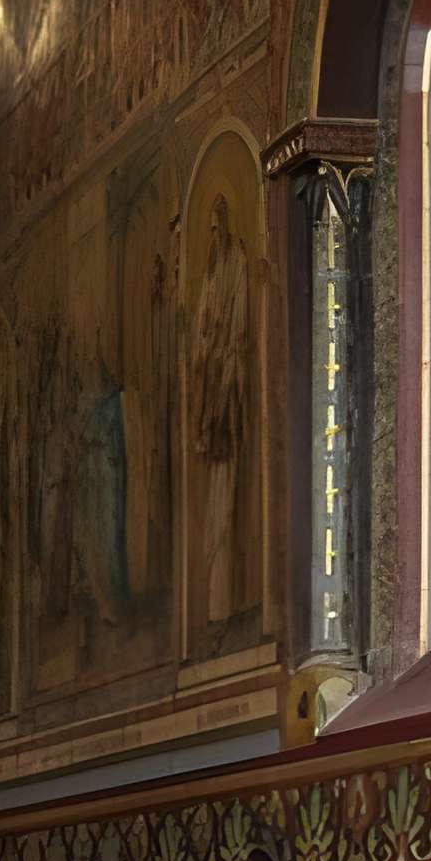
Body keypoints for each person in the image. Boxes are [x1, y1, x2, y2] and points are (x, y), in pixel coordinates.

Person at [187, 194, 255, 627]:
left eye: (218, 228)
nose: (214, 236)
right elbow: (200, 342)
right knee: (213, 510)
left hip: (226, 398)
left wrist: (219, 357)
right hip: (211, 401)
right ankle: (215, 606)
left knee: (226, 504)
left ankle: (224, 604)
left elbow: (233, 331)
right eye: (209, 230)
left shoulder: (236, 268)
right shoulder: (210, 280)